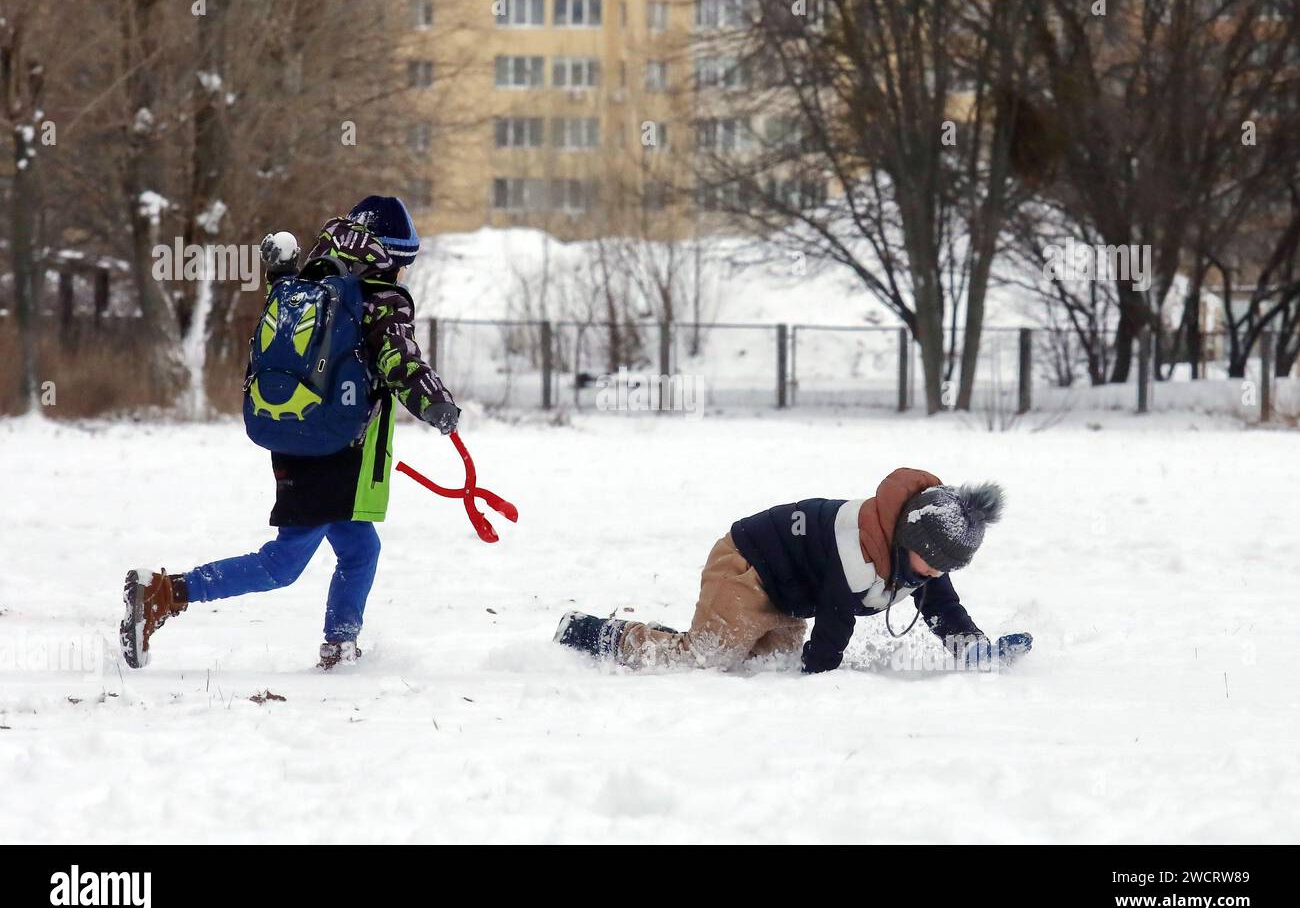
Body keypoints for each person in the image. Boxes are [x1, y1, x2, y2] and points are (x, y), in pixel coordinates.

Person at [120, 196, 459, 670]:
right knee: (282, 564)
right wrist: (435, 402)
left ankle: (340, 647)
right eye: (404, 263)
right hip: (338, 447)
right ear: (390, 256)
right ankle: (164, 593)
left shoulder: (311, 283)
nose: (403, 274)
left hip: (298, 433)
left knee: (360, 547)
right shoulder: (380, 296)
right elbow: (399, 359)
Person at [555, 467, 1032, 673]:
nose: (936, 575)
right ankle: (589, 633)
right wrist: (821, 670)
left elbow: (942, 604)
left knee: (766, 666)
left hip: (786, 594)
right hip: (746, 566)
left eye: (946, 568)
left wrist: (973, 650)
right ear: (913, 540)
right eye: (935, 564)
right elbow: (834, 614)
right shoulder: (858, 545)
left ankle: (674, 635)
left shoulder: (921, 561)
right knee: (703, 658)